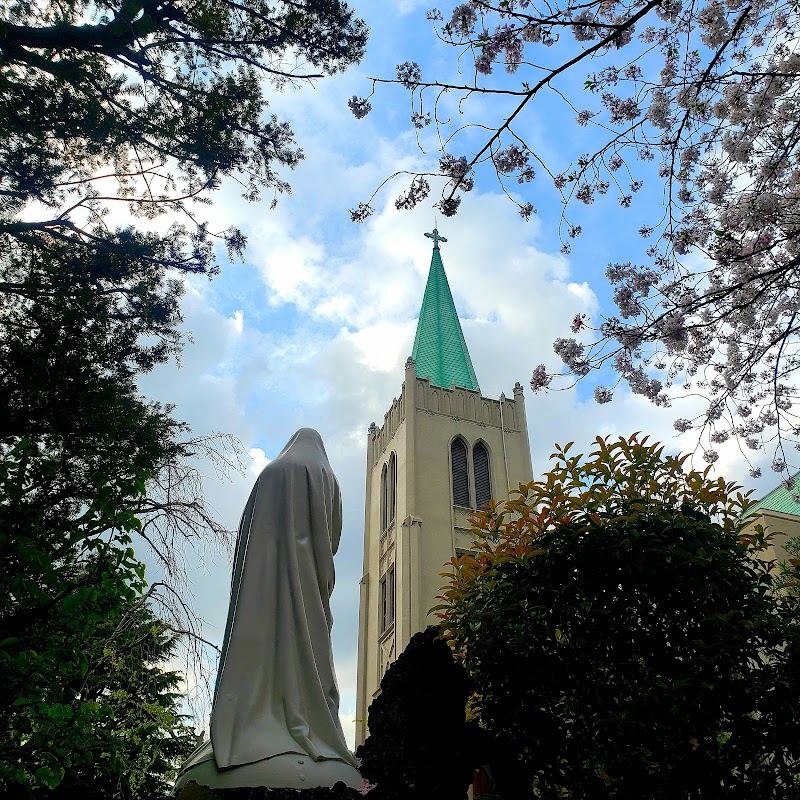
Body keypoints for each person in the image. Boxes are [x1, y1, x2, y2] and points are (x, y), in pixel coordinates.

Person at [175, 428, 360, 791]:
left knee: (259, 646)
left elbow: (250, 532)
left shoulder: (271, 472)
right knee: (309, 652)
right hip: (308, 582)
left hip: (260, 583)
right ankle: (305, 723)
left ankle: (250, 720)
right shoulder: (327, 476)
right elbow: (333, 537)